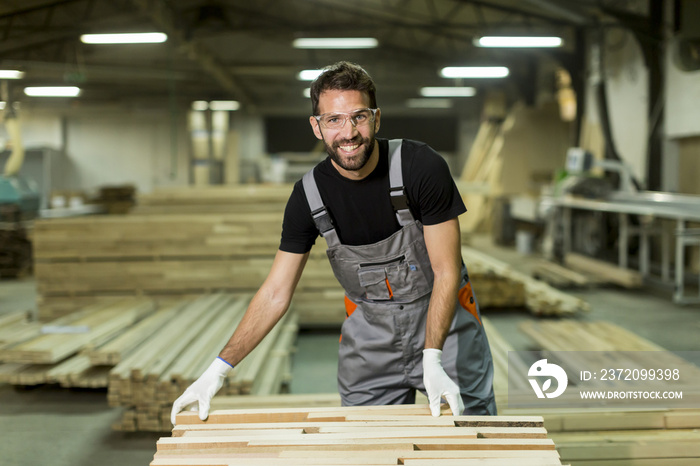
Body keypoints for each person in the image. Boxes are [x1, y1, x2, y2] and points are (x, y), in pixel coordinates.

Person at [171, 61, 496, 425]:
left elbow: (446, 270)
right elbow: (276, 293)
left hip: (444, 326)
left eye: (358, 117)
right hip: (371, 339)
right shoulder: (308, 197)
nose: (348, 132)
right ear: (317, 126)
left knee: (471, 433)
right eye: (334, 120)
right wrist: (218, 369)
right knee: (367, 447)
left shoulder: (419, 167)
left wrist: (432, 356)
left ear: (376, 119)